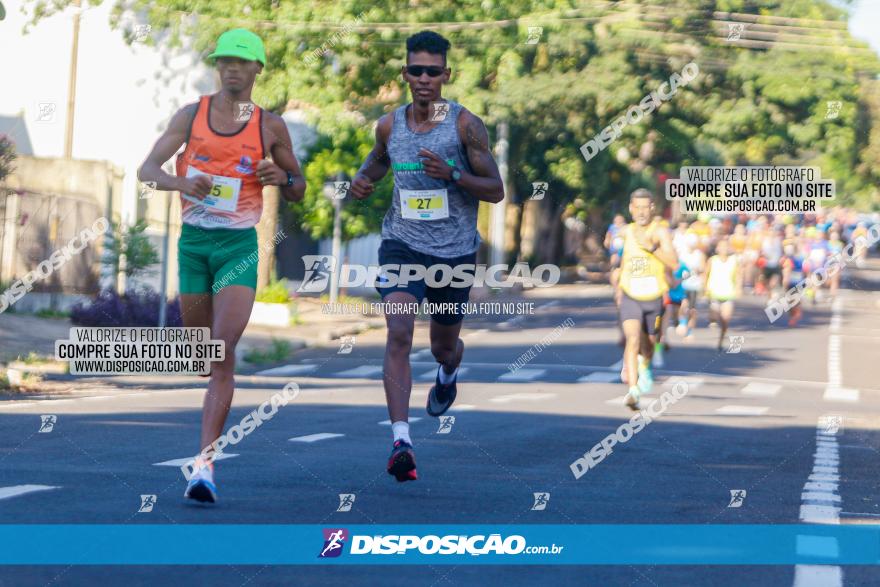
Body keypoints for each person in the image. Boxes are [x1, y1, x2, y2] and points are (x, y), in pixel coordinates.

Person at [137, 29, 306, 502]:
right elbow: (146, 170)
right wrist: (178, 182)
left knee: (220, 348)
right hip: (194, 246)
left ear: (257, 70)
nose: (232, 68)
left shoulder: (270, 127)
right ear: (218, 67)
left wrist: (282, 176)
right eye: (225, 61)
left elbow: (299, 186)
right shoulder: (191, 116)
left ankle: (204, 465)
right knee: (201, 351)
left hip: (237, 248)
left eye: (241, 61)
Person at [350, 31, 504, 481]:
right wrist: (364, 180)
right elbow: (379, 160)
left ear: (445, 75)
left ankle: (450, 370)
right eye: (415, 70)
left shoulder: (464, 125)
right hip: (402, 243)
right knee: (398, 331)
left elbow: (495, 190)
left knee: (442, 346)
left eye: (432, 72)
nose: (423, 79)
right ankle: (402, 440)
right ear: (405, 74)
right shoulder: (389, 124)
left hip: (454, 253)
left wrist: (453, 173)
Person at [617, 189, 678, 410]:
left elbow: (673, 262)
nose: (641, 212)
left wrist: (651, 247)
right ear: (631, 208)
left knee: (649, 343)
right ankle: (633, 390)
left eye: (646, 207)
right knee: (632, 339)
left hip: (653, 296)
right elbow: (625, 259)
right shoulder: (626, 231)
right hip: (630, 294)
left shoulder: (660, 232)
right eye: (637, 207)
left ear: (652, 208)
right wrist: (618, 287)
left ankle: (646, 364)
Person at [704, 238, 741, 350]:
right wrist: (705, 288)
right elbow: (706, 274)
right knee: (714, 315)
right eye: (721, 247)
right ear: (717, 249)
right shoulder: (712, 260)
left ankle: (721, 339)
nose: (724, 249)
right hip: (714, 292)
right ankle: (712, 320)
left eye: (726, 247)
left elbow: (738, 275)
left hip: (728, 293)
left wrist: (738, 288)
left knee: (725, 319)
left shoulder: (734, 260)